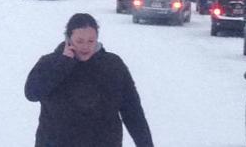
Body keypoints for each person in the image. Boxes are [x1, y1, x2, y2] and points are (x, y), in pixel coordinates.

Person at [24, 13, 154, 147]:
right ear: (68, 39)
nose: (85, 46)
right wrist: (64, 63)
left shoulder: (113, 65)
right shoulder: (49, 63)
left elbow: (133, 111)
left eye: (91, 41)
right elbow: (32, 93)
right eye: (80, 41)